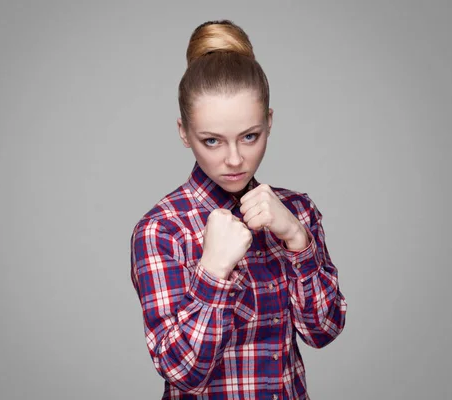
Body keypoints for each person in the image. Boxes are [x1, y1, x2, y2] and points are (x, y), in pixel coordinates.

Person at [130, 19, 347, 400]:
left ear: (269, 123)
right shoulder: (162, 229)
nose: (234, 159)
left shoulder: (297, 210)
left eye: (250, 136)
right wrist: (213, 271)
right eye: (212, 141)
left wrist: (297, 239)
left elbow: (323, 331)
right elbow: (183, 372)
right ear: (184, 132)